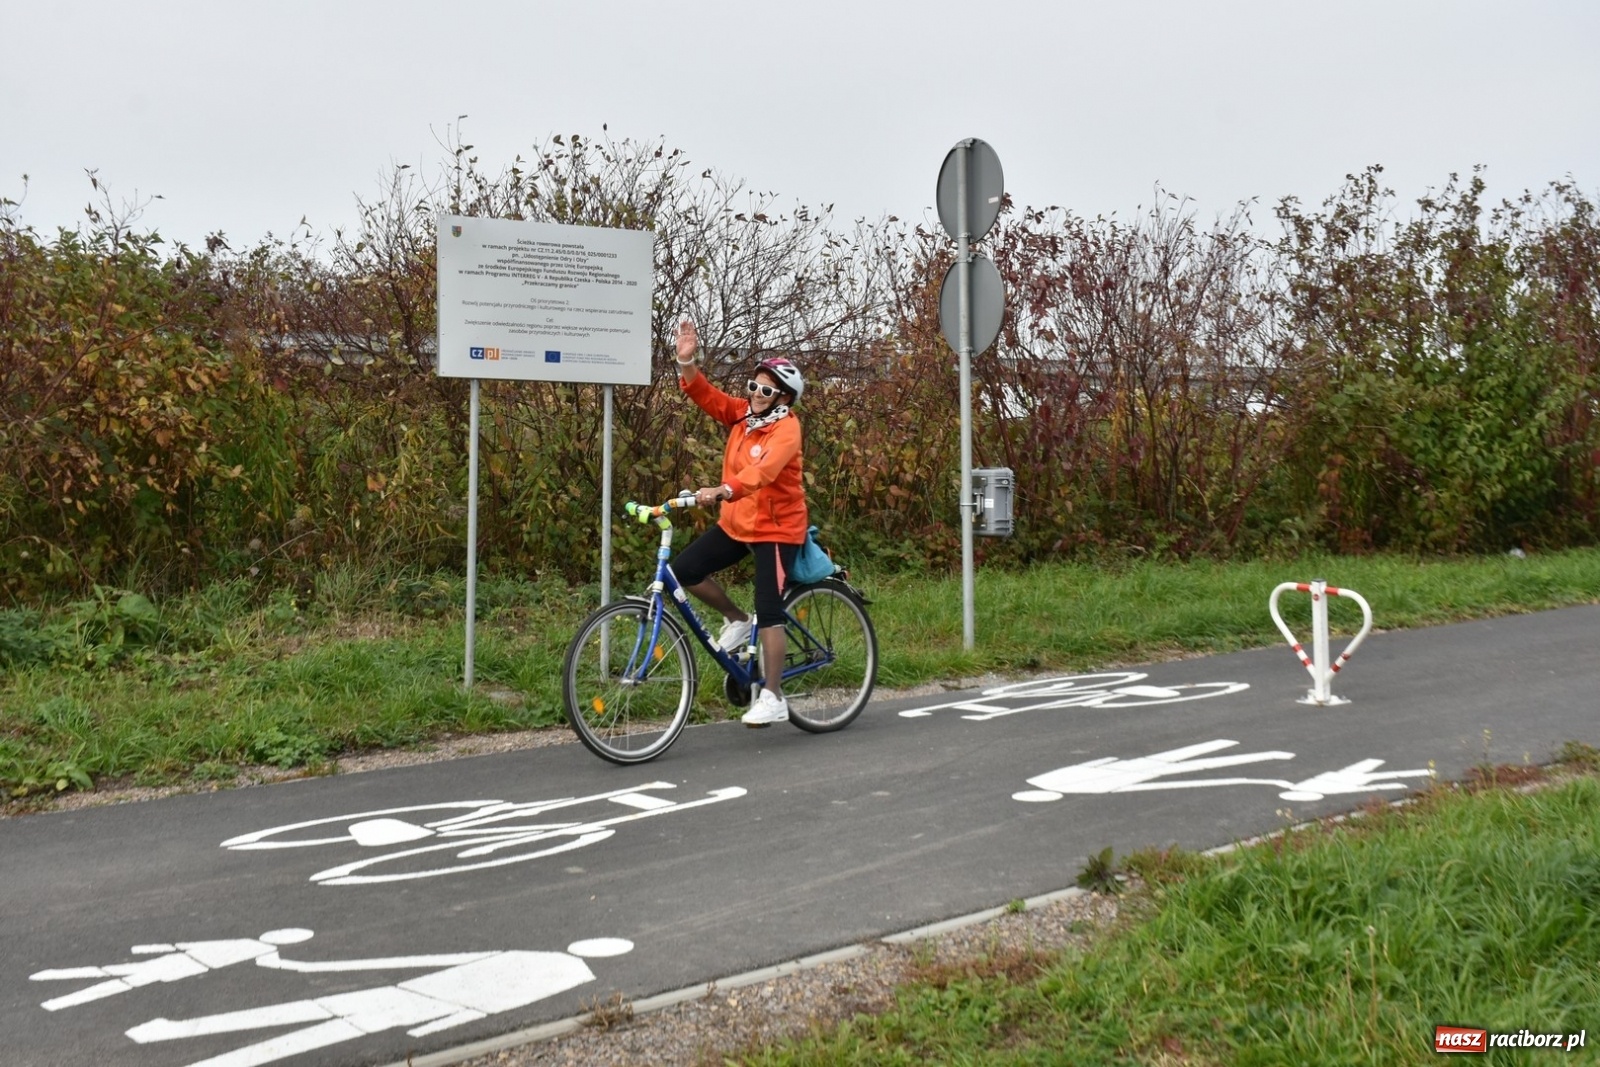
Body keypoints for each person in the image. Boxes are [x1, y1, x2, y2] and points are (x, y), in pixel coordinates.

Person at [672, 319, 807, 726]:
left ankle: (773, 695)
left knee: (770, 610)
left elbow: (763, 473)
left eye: (766, 390)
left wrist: (724, 489)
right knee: (683, 571)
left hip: (777, 530)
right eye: (753, 386)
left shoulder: (786, 430)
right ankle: (735, 619)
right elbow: (706, 395)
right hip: (738, 523)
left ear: (783, 397)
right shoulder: (743, 417)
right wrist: (686, 361)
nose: (756, 395)